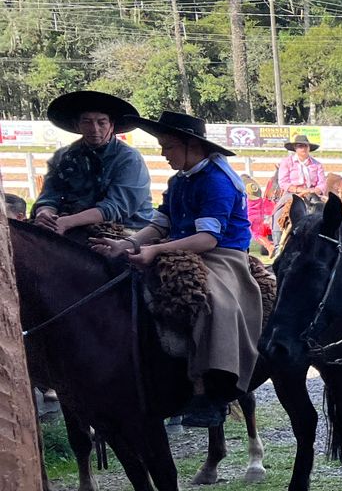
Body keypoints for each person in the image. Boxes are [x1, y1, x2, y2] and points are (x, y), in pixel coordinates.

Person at [91, 111, 261, 429]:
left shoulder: (217, 181)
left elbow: (208, 239)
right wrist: (126, 246)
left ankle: (211, 391)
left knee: (214, 302)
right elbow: (160, 224)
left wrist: (154, 250)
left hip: (223, 257)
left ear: (191, 146)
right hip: (180, 247)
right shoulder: (178, 180)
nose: (164, 153)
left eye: (168, 146)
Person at [31, 90, 154, 235]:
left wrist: (69, 222)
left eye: (101, 122)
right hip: (71, 223)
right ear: (77, 125)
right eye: (87, 122)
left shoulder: (129, 159)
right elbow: (50, 195)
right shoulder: (63, 157)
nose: (94, 129)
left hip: (126, 227)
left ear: (111, 126)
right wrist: (44, 213)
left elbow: (116, 207)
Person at [275, 134, 327, 204]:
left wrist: (314, 191)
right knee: (280, 210)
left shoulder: (317, 165)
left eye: (306, 146)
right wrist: (298, 190)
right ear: (295, 148)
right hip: (292, 194)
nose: (303, 148)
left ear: (309, 148)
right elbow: (283, 182)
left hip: (313, 194)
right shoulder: (286, 162)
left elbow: (322, 183)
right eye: (300, 146)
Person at [243, 177, 275, 256]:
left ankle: (268, 246)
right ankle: (269, 246)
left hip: (250, 217)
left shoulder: (245, 198)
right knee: (258, 234)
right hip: (259, 216)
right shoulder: (258, 198)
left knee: (250, 234)